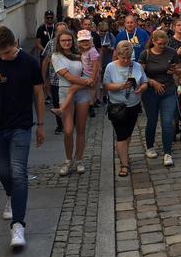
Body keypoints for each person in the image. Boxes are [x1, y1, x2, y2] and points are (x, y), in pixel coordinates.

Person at [0, 26, 45, 248]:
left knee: (19, 172)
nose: (5, 57)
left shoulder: (29, 63)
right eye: (0, 53)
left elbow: (39, 94)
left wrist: (40, 125)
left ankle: (18, 226)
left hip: (21, 126)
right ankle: (11, 196)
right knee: (3, 171)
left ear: (16, 41)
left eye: (8, 51)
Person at [52, 30, 95, 176]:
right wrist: (88, 82)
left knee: (81, 128)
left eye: (69, 40)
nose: (66, 43)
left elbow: (91, 67)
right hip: (66, 91)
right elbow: (69, 77)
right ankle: (68, 159)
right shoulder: (56, 56)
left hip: (82, 92)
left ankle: (79, 160)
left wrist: (90, 80)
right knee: (69, 130)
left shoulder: (80, 54)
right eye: (63, 40)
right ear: (59, 42)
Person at [104, 41, 148, 178]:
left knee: (128, 135)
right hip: (117, 106)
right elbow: (106, 85)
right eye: (123, 57)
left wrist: (141, 88)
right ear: (117, 55)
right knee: (121, 135)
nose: (126, 60)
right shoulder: (110, 67)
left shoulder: (137, 66)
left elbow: (144, 82)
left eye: (128, 58)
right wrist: (121, 87)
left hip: (133, 105)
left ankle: (123, 153)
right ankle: (124, 165)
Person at [139, 30, 181, 166]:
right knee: (152, 120)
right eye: (159, 44)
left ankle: (167, 152)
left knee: (167, 121)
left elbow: (179, 69)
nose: (162, 46)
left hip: (168, 90)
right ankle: (150, 146)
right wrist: (152, 82)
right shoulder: (146, 54)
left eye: (164, 44)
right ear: (153, 41)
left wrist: (175, 70)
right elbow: (140, 73)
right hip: (150, 92)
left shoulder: (171, 53)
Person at [41, 22, 68, 134]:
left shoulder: (71, 42)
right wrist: (43, 79)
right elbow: (45, 62)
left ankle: (70, 122)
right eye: (59, 31)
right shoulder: (51, 44)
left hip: (69, 80)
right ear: (56, 32)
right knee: (56, 103)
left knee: (69, 102)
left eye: (63, 30)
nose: (61, 33)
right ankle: (60, 125)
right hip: (55, 80)